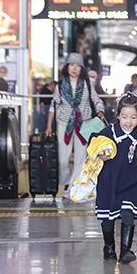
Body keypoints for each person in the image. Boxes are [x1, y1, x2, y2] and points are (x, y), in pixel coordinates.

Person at [93, 93, 137, 264]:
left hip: (130, 180)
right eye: (124, 117)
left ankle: (125, 251)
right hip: (109, 180)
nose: (128, 121)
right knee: (107, 218)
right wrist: (100, 152)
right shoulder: (110, 132)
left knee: (128, 214)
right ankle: (109, 247)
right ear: (118, 116)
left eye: (133, 117)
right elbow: (93, 142)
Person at [46, 53, 106, 195]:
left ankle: (72, 186)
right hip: (64, 123)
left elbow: (97, 100)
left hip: (83, 123)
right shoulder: (60, 86)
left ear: (82, 69)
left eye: (78, 66)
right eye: (71, 65)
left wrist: (100, 110)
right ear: (67, 67)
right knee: (62, 158)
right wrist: (48, 126)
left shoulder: (87, 84)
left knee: (80, 157)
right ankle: (66, 181)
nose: (74, 68)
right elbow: (53, 106)